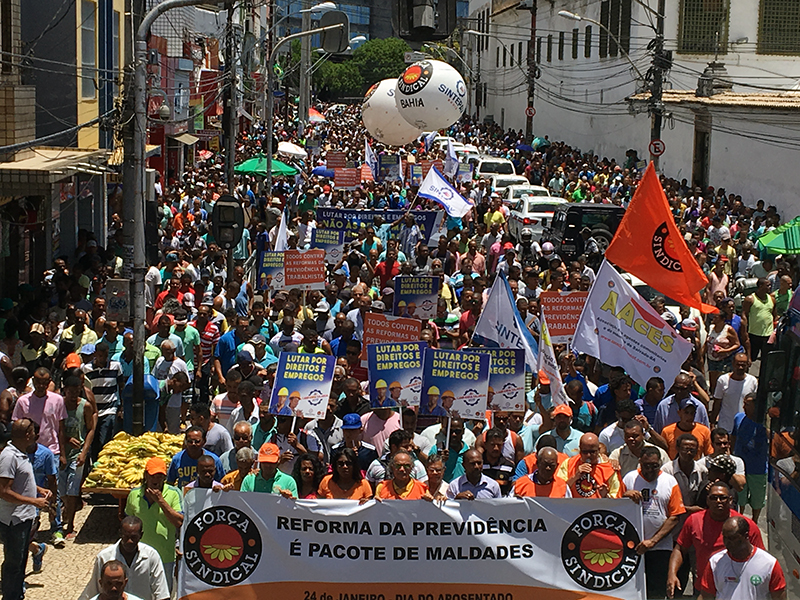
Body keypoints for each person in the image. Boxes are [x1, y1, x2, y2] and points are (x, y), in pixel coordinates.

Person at [667, 482, 764, 599]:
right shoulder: (694, 521)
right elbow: (680, 549)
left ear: (730, 500)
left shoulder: (746, 525)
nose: (718, 501)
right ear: (707, 500)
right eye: (713, 498)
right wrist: (672, 574)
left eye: (723, 498)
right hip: (703, 589)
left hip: (735, 589)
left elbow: (760, 559)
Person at [622, 447, 686, 599]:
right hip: (632, 547)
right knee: (630, 591)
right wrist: (625, 496)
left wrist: (652, 541)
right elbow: (616, 508)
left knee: (656, 592)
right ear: (640, 463)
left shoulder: (670, 481)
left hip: (660, 549)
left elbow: (675, 516)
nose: (650, 470)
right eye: (646, 466)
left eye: (654, 466)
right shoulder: (629, 479)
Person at [0, 419, 51, 600]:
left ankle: (16, 593)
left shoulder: (20, 453)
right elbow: (4, 491)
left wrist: (38, 489)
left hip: (24, 518)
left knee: (20, 560)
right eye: (33, 431)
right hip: (14, 520)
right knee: (14, 562)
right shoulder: (9, 456)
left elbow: (20, 480)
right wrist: (33, 501)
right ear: (28, 434)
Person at [124, 457, 183, 591]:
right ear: (145, 476)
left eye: (160, 476)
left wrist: (161, 501)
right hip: (139, 556)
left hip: (165, 557)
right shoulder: (134, 494)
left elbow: (179, 522)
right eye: (152, 476)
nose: (156, 480)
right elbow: (127, 522)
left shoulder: (174, 493)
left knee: (163, 594)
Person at [79, 516, 170, 600]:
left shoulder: (151, 556)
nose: (129, 541)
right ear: (120, 534)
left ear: (141, 535)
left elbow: (161, 593)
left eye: (134, 537)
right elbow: (94, 590)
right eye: (126, 537)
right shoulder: (104, 557)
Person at [695, 516, 786, 600]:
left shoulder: (769, 564)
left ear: (746, 536)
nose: (727, 542)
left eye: (732, 538)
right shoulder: (716, 562)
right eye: (725, 537)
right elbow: (706, 595)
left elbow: (779, 597)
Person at [60, 374, 97, 537]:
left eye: (77, 391)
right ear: (65, 390)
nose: (74, 395)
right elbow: (55, 428)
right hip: (61, 453)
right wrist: (66, 441)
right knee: (61, 490)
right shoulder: (58, 405)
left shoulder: (86, 406)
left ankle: (70, 525)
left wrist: (84, 451)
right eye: (70, 391)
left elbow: (90, 429)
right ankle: (65, 512)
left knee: (73, 489)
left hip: (77, 455)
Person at [732, 394, 768, 523]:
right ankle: (739, 518)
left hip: (757, 468)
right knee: (739, 496)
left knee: (757, 499)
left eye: (747, 404)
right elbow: (734, 437)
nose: (744, 407)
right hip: (740, 466)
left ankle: (755, 521)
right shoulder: (739, 418)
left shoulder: (764, 422)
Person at [556, 433, 622, 499]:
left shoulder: (609, 468)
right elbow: (558, 489)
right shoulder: (569, 463)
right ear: (580, 449)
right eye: (585, 452)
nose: (588, 455)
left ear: (598, 450)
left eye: (592, 452)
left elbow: (617, 498)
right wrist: (574, 477)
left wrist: (605, 496)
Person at [711, 352, 758, 434]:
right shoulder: (723, 380)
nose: (740, 367)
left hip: (744, 426)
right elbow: (717, 403)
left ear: (747, 365)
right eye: (738, 364)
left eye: (743, 365)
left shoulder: (753, 381)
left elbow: (755, 405)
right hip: (726, 426)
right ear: (733, 364)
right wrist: (712, 422)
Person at [742, 277, 776, 362]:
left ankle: (763, 375)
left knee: (766, 359)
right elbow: (744, 314)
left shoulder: (772, 299)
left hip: (767, 335)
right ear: (760, 286)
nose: (769, 287)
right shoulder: (750, 299)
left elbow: (775, 315)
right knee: (750, 358)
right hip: (754, 334)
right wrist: (744, 330)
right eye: (767, 285)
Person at [481, 427, 516, 496]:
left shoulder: (509, 466)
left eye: (499, 445)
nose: (496, 448)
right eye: (492, 445)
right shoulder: (478, 464)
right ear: (485, 445)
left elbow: (511, 489)